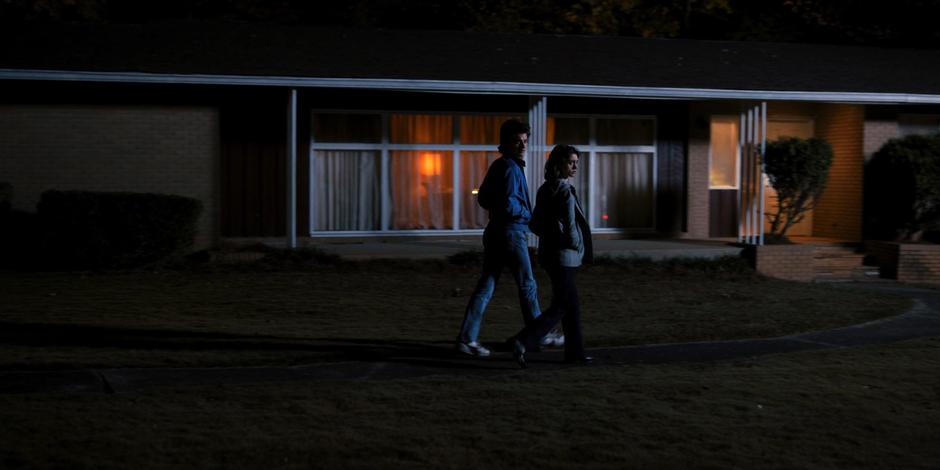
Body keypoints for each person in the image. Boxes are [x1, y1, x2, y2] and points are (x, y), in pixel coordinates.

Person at [455, 119, 543, 357]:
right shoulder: (512, 168)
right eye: (517, 140)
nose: (523, 145)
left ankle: (467, 339)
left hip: (495, 231)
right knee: (527, 284)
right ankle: (539, 333)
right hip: (512, 232)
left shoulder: (499, 166)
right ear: (506, 142)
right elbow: (510, 205)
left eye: (525, 140)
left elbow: (483, 198)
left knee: (487, 285)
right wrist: (529, 214)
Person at [510, 144, 593, 368]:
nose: (575, 166)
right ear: (559, 164)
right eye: (570, 162)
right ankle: (522, 341)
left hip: (550, 255)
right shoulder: (564, 191)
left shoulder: (545, 189)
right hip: (566, 257)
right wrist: (575, 245)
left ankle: (575, 353)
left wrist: (552, 237)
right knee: (561, 306)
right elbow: (570, 225)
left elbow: (535, 224)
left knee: (571, 304)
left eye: (576, 162)